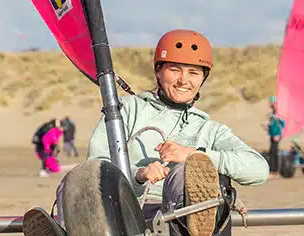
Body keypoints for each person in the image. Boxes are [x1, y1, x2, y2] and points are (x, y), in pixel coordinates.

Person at [21, 29, 269, 236]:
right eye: (175, 70)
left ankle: (197, 216)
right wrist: (139, 175)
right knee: (79, 178)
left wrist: (194, 155)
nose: (183, 80)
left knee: (185, 173)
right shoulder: (127, 110)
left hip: (176, 222)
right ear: (158, 71)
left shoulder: (210, 130)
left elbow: (258, 169)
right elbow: (96, 169)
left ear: (203, 78)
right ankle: (73, 228)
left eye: (193, 72)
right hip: (124, 213)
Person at [266, 98, 285, 173]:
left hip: (276, 135)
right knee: (271, 152)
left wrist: (278, 134)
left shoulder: (279, 113)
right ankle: (273, 170)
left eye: (271, 102)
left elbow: (282, 124)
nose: (270, 104)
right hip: (272, 135)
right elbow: (273, 124)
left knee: (274, 152)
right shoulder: (273, 112)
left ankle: (274, 170)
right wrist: (268, 127)